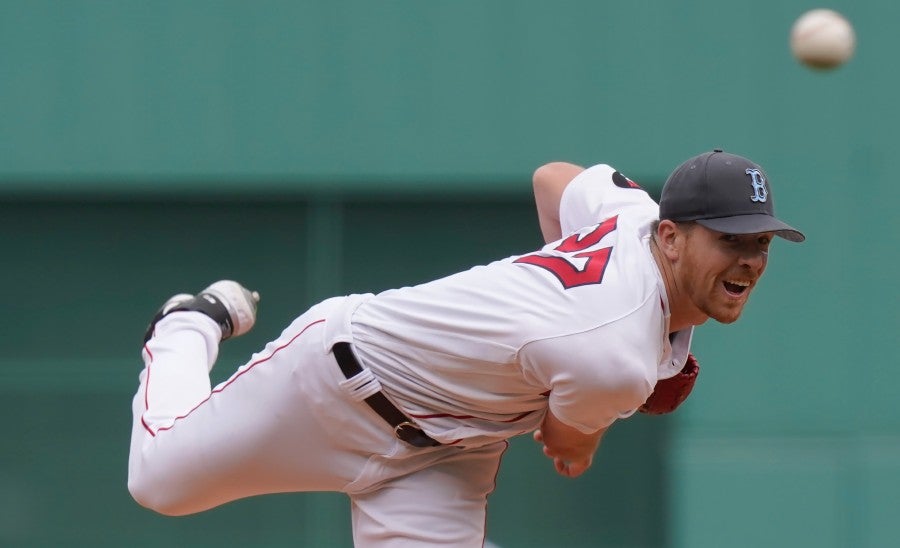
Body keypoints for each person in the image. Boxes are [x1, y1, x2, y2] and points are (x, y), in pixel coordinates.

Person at [128, 149, 804, 546]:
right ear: (671, 237)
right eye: (730, 239)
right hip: (340, 384)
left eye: (760, 243)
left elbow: (550, 176)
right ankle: (190, 322)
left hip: (448, 457)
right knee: (159, 481)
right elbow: (569, 446)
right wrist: (570, 364)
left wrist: (542, 322)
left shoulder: (629, 214)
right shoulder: (613, 353)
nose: (748, 260)